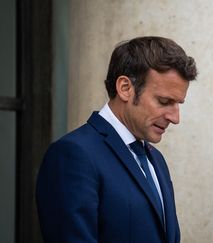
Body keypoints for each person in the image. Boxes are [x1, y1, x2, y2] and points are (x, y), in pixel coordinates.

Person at [36, 36, 197, 243]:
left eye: (178, 104)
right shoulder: (73, 155)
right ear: (125, 88)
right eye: (164, 101)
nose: (175, 118)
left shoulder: (157, 160)